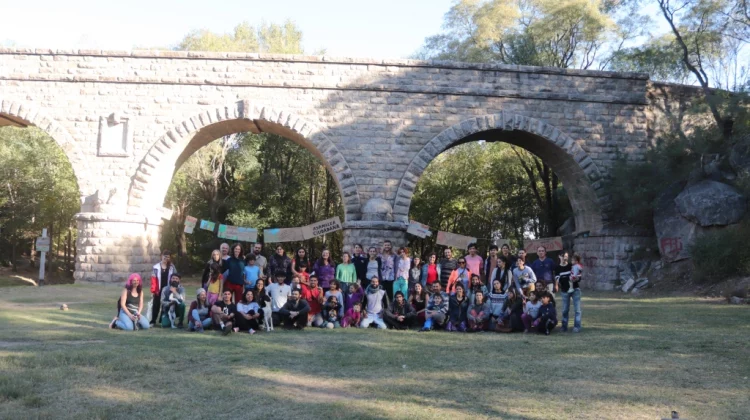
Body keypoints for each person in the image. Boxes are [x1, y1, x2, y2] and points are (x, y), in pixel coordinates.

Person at [150, 249, 176, 326]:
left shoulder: (171, 267)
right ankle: (153, 321)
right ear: (161, 256)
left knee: (165, 305)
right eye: (165, 256)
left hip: (167, 289)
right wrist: (153, 290)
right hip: (158, 289)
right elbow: (153, 280)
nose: (166, 258)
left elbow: (176, 277)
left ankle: (162, 320)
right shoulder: (156, 267)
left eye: (168, 257)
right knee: (156, 305)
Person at [558, 252, 582, 333]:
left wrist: (576, 279)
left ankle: (577, 326)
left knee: (577, 310)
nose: (565, 258)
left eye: (566, 256)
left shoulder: (572, 266)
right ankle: (564, 326)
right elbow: (558, 279)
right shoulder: (557, 267)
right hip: (565, 291)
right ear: (559, 257)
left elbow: (579, 275)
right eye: (563, 256)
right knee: (565, 309)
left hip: (575, 290)